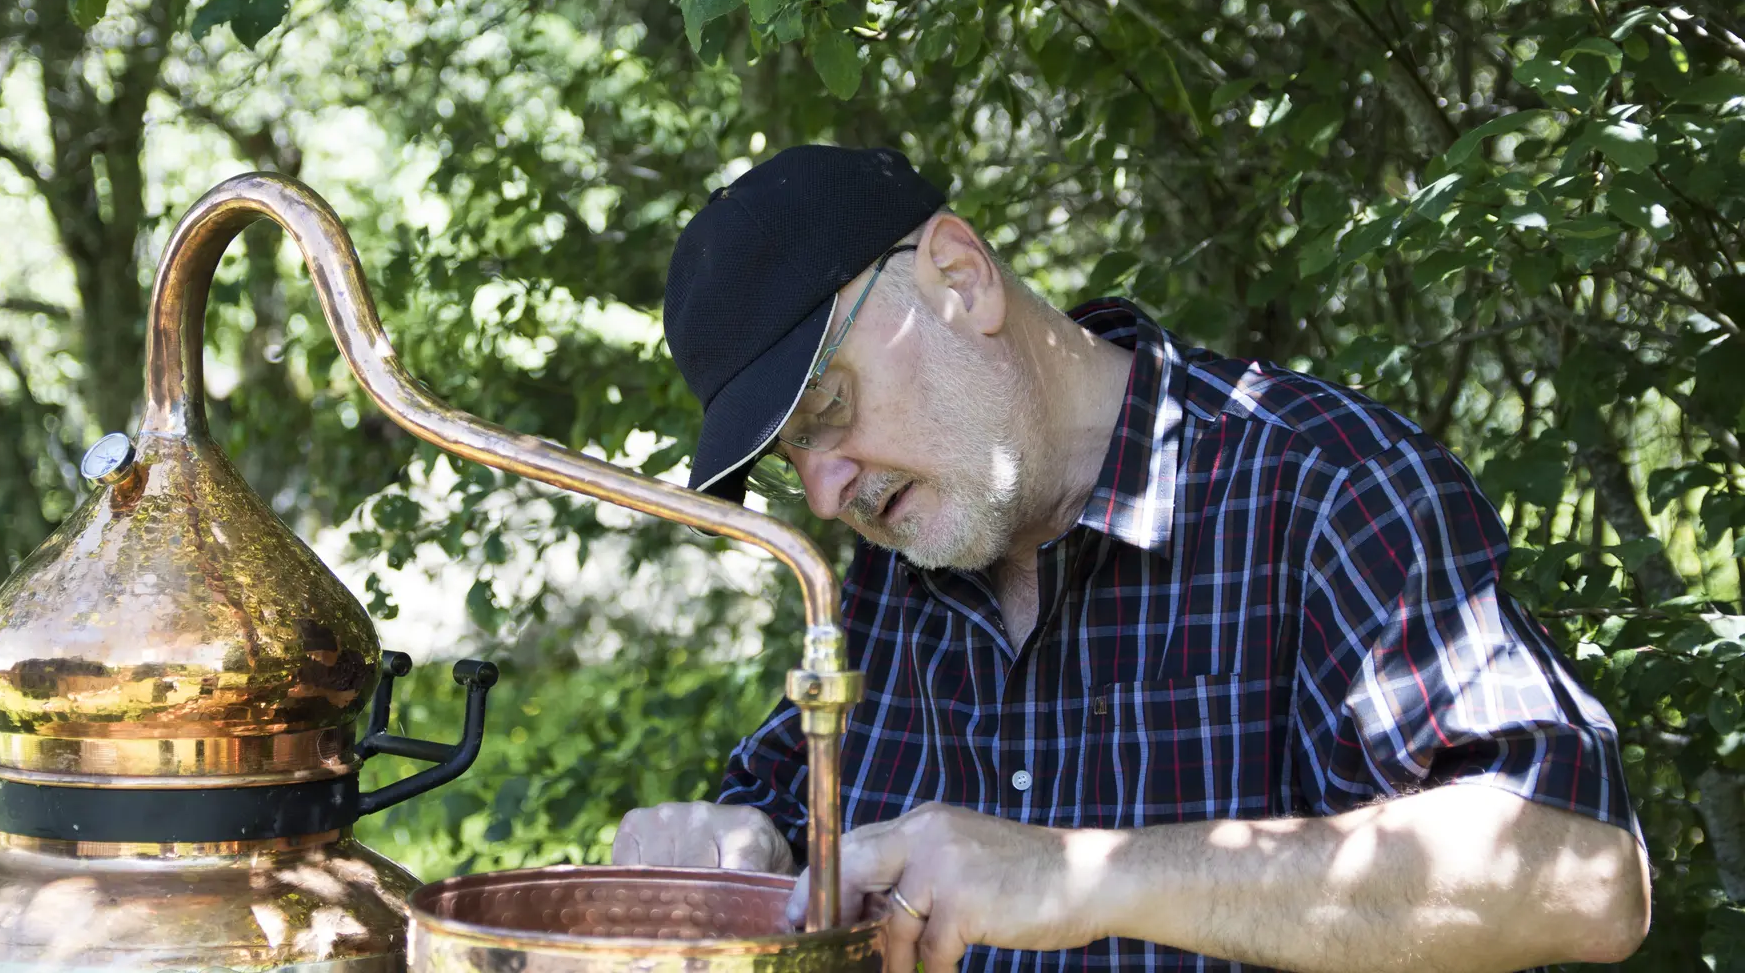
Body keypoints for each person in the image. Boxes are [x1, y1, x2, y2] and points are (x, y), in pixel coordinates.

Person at [613, 145, 1650, 973]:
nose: (828, 490)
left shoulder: (1320, 490)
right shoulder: (896, 567)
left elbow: (1583, 875)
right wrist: (735, 845)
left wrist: (1085, 878)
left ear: (959, 280)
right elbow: (788, 818)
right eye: (792, 456)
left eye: (828, 407)